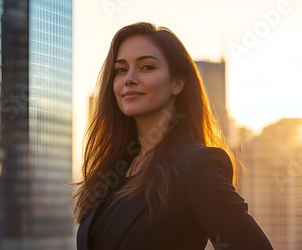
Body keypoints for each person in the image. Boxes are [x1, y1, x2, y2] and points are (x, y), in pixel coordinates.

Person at [72, 22, 273, 250]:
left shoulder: (195, 166)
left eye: (147, 67)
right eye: (120, 69)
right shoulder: (114, 167)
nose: (129, 78)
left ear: (177, 83)